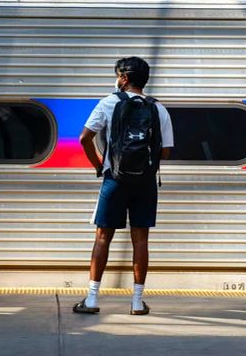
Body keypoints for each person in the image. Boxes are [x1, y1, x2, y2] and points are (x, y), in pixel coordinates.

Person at [73, 56, 174, 315]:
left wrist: (99, 164)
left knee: (103, 237)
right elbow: (165, 152)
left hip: (114, 179)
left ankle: (92, 299)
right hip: (145, 183)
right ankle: (137, 302)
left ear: (124, 78)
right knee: (141, 241)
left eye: (118, 74)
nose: (117, 79)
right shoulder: (158, 109)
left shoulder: (108, 103)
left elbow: (85, 137)